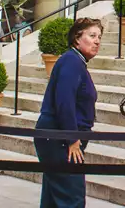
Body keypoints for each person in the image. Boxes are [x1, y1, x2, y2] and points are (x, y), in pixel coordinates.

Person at [35, 16, 102, 208]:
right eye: (92, 36)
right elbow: (64, 102)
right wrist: (72, 138)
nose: (97, 41)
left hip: (58, 137)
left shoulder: (75, 61)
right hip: (60, 140)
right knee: (72, 198)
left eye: (99, 37)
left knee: (53, 199)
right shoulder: (72, 61)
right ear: (76, 38)